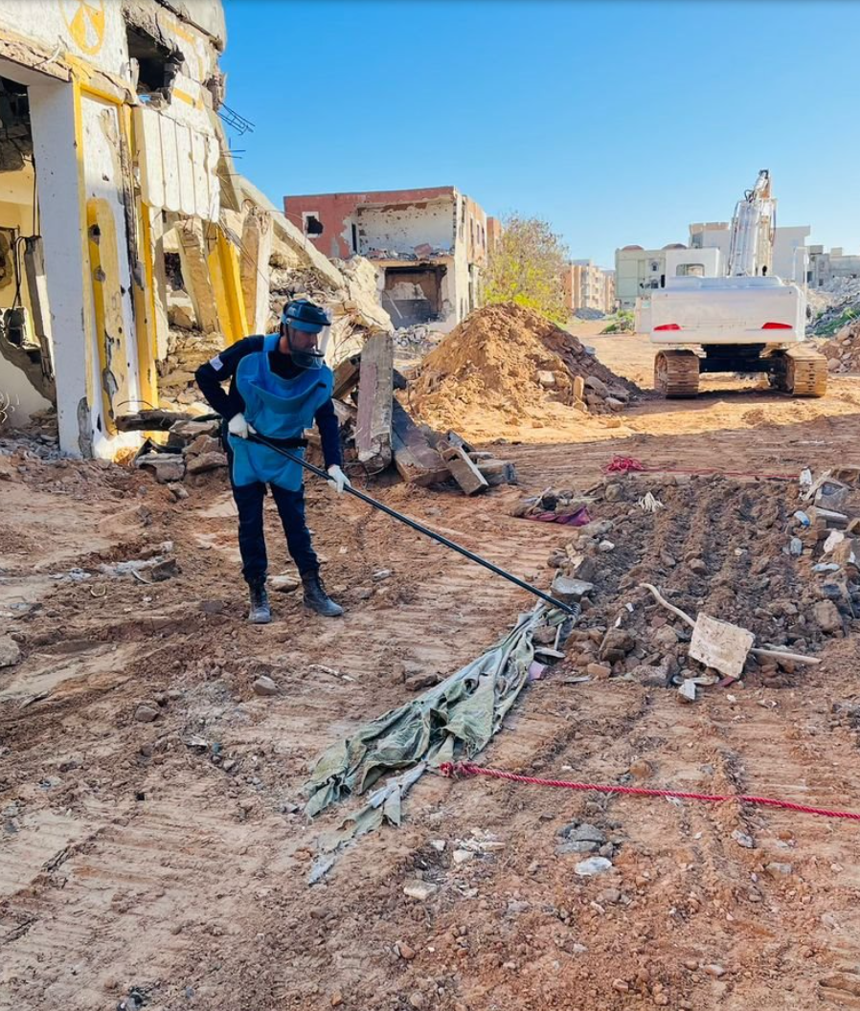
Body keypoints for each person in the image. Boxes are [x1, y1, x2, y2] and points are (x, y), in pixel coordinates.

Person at [195, 299, 351, 624]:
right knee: (250, 523)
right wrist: (232, 414)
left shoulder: (316, 372)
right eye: (306, 335)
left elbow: (325, 416)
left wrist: (335, 464)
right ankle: (257, 592)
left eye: (316, 336)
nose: (311, 342)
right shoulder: (251, 352)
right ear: (286, 328)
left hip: (287, 454)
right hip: (246, 447)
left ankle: (312, 587)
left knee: (295, 521)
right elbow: (205, 375)